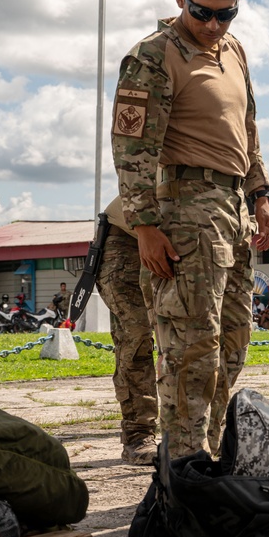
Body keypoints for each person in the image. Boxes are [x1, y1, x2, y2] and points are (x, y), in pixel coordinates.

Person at [112, 0, 269, 458]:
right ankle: (184, 467)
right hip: (183, 210)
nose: (212, 23)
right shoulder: (153, 55)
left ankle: (205, 454)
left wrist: (261, 195)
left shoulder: (234, 50)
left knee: (231, 341)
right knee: (190, 347)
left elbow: (247, 132)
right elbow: (130, 146)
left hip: (233, 211)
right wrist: (143, 225)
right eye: (202, 11)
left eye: (225, 13)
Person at [96, 197, 158, 465]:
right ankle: (138, 434)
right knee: (138, 335)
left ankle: (190, 429)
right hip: (126, 240)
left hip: (186, 242)